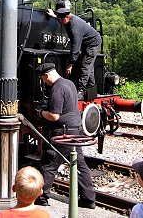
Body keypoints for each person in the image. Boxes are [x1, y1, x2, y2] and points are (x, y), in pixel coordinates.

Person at [34, 62, 96, 209]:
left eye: (43, 78)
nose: (43, 81)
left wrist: (41, 112)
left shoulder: (56, 89)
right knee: (80, 165)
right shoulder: (69, 83)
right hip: (76, 130)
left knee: (49, 164)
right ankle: (89, 199)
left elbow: (54, 116)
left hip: (63, 133)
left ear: (47, 75)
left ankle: (41, 197)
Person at [47, 1, 102, 100]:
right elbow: (62, 19)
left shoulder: (75, 28)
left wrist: (70, 64)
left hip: (93, 43)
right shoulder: (68, 19)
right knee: (89, 67)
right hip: (87, 43)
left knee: (85, 66)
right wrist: (54, 15)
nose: (59, 21)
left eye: (60, 19)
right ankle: (92, 88)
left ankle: (81, 91)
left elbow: (75, 48)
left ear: (67, 17)